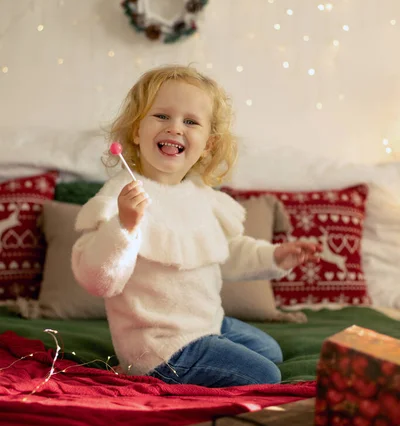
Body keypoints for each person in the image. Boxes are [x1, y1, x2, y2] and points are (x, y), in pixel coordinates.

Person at [72, 65, 320, 387]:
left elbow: (226, 252)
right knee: (266, 374)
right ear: (136, 131)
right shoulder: (123, 197)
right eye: (161, 116)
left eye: (190, 122)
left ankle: (213, 347)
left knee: (269, 350)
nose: (175, 128)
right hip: (159, 347)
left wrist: (275, 256)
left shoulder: (201, 196)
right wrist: (124, 226)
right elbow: (97, 279)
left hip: (204, 325)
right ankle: (143, 371)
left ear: (208, 145)